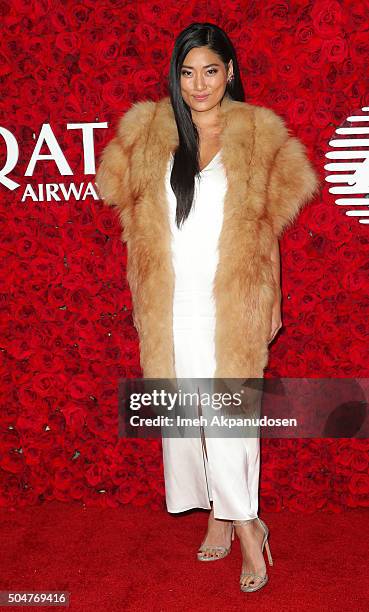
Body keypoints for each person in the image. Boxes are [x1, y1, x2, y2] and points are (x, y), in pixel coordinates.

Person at [96, 22, 320, 593]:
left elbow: (266, 224)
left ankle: (247, 527)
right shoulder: (149, 131)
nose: (199, 84)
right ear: (176, 75)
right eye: (188, 72)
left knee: (229, 423)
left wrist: (269, 294)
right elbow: (122, 202)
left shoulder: (256, 134)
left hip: (232, 295)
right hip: (172, 299)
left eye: (211, 71)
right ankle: (220, 512)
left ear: (231, 72)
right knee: (189, 417)